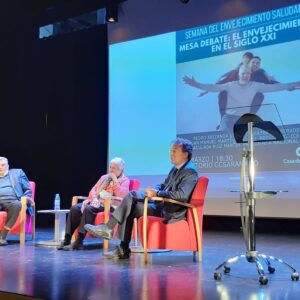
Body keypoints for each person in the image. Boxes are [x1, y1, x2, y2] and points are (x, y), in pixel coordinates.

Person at [84, 138, 199, 260]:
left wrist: (158, 193)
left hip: (171, 211)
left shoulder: (190, 171)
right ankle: (122, 249)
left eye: (174, 151)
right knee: (130, 206)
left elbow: (182, 195)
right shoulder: (175, 169)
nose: (171, 154)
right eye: (170, 151)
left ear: (186, 154)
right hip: (162, 205)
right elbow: (164, 184)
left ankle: (109, 229)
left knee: (132, 195)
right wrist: (154, 189)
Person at [183, 64, 300, 132]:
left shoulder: (255, 86)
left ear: (250, 74)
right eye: (243, 73)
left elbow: (274, 87)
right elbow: (213, 87)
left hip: (244, 120)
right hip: (228, 119)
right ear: (239, 74)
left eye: (248, 73)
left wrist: (292, 84)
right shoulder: (230, 85)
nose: (245, 75)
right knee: (221, 138)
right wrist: (196, 84)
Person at [58, 157, 130, 251]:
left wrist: (114, 180)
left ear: (121, 170)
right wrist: (95, 199)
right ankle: (67, 238)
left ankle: (79, 240)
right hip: (97, 202)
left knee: (89, 209)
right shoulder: (104, 177)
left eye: (114, 168)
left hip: (110, 205)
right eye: (110, 167)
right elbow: (93, 190)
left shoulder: (125, 181)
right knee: (75, 208)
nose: (111, 170)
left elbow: (121, 195)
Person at [0, 156, 33, 246]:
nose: (0, 167)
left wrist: (25, 199)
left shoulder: (17, 173)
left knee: (17, 205)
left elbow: (28, 190)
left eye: (3, 165)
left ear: (8, 166)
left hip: (12, 201)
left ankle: (3, 236)